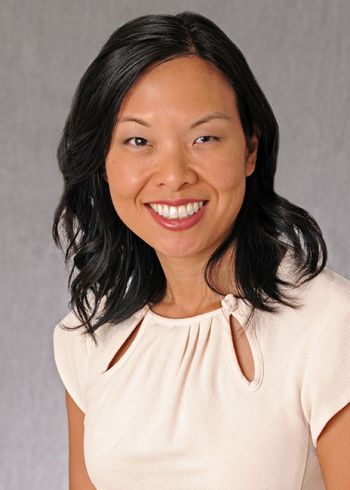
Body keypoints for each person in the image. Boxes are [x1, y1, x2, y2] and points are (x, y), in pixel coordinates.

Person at [52, 11, 350, 490]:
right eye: (138, 141)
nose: (174, 175)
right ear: (103, 162)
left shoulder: (331, 327)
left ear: (250, 149)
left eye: (204, 138)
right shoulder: (88, 336)